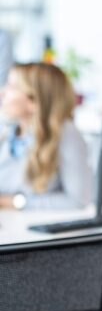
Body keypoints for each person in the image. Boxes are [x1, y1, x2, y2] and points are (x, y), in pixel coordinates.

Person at [0, 62, 92, 210]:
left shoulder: (66, 134)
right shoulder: (7, 131)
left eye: (12, 87)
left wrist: (16, 202)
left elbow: (78, 200)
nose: (2, 93)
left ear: (34, 102)